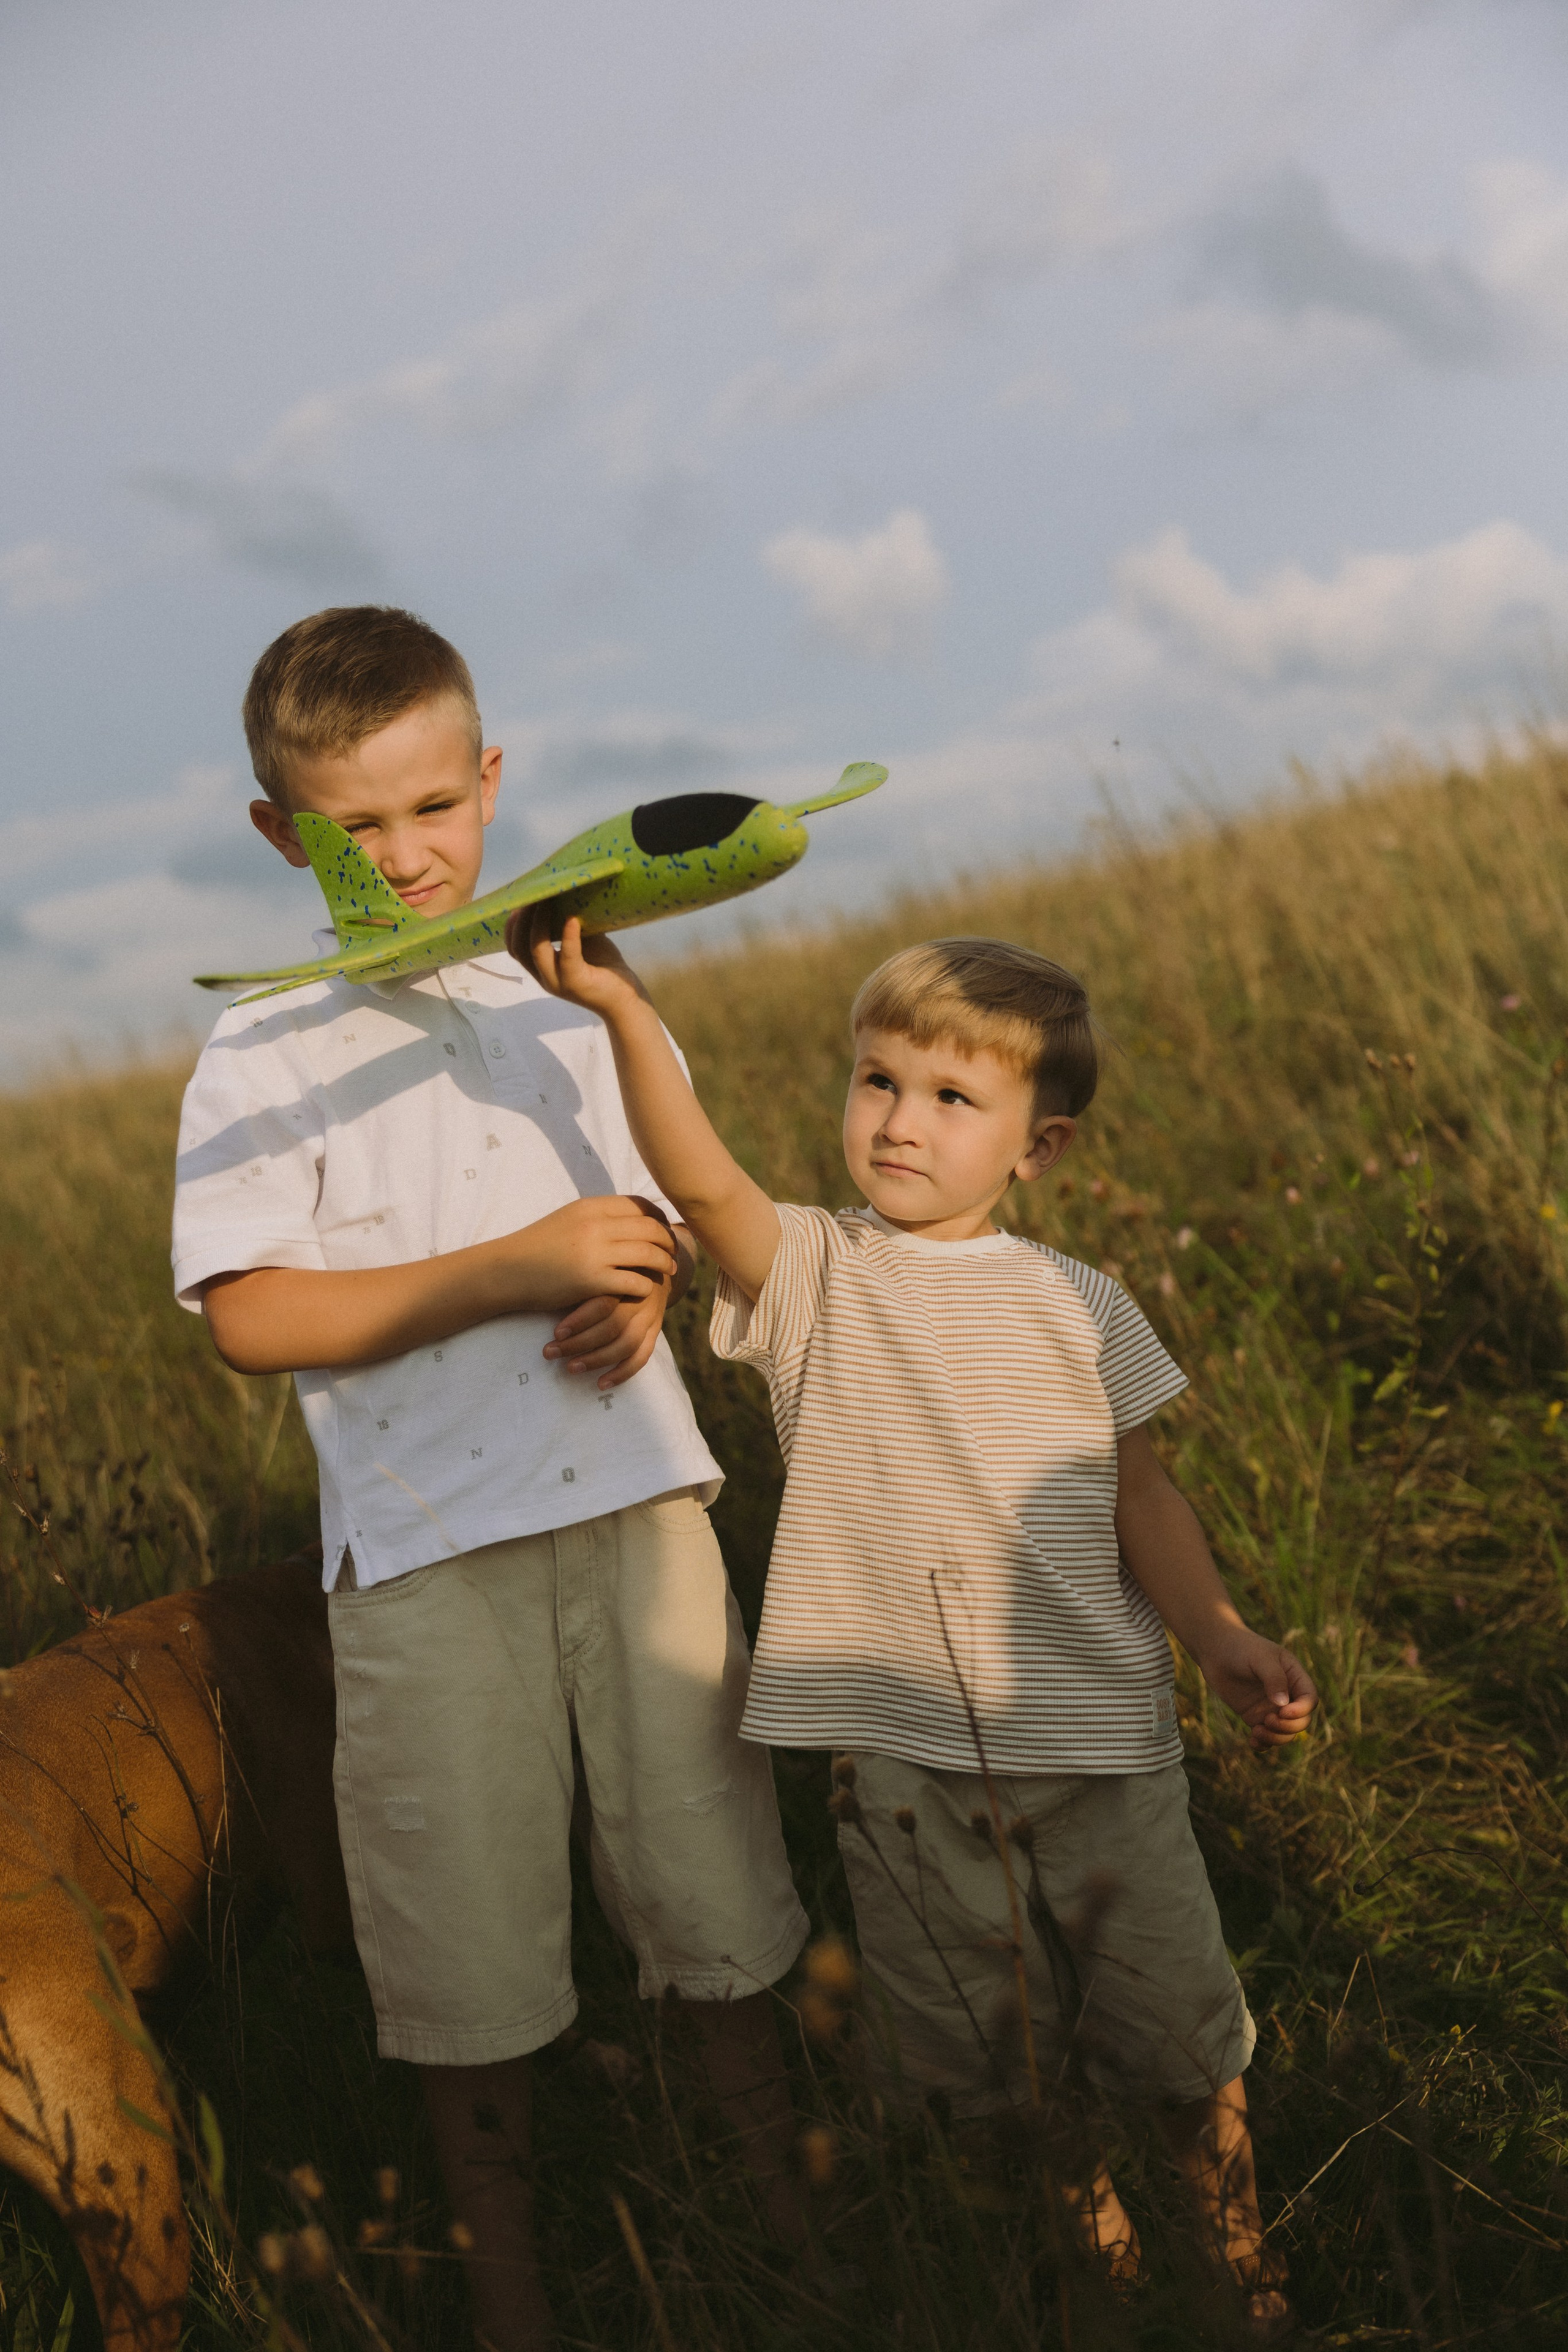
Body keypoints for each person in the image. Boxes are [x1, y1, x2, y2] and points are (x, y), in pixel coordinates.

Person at [525, 919, 1317, 2336]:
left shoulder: (1080, 1303)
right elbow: (699, 1176)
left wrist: (1220, 1637)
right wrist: (622, 1011)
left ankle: (1239, 2285)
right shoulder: (819, 1277)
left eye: (951, 1098)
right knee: (994, 2085)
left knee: (1182, 2058)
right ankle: (1104, 2284)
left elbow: (1142, 1493)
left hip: (1099, 1754)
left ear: (1041, 1146)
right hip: (901, 1778)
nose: (898, 1122)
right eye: (876, 1081)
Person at [171, 606, 809, 2351]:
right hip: (429, 1557)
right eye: (353, 828)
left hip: (634, 1507)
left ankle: (786, 2229)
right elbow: (254, 1314)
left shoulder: (568, 994)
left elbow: (655, 1202)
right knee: (464, 1952)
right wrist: (514, 1272)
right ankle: (513, 2291)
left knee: (715, 1893)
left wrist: (635, 1277)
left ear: (492, 780)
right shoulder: (264, 1049)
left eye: (435, 807)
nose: (406, 854)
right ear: (279, 836)